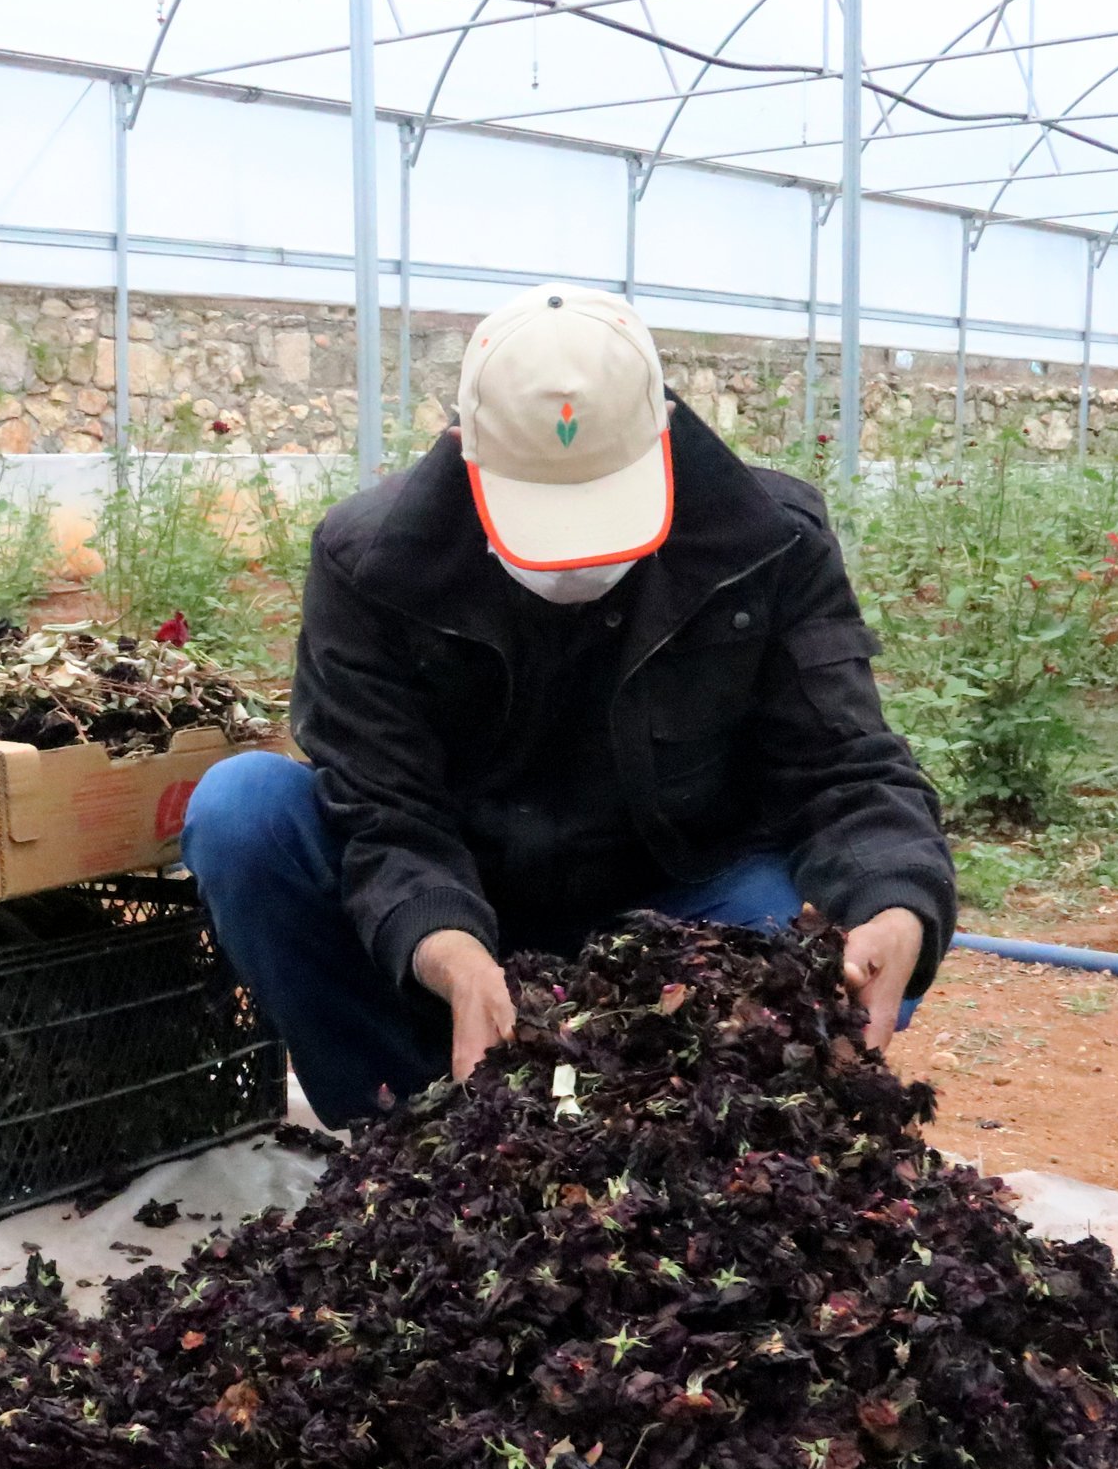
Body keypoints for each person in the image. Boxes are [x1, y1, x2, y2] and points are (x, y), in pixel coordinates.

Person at [184, 283, 955, 1127]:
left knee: (817, 949)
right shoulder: (373, 562)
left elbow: (846, 764)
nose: (573, 567)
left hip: (685, 893)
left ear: (663, 442)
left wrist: (896, 904)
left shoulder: (767, 539)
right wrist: (448, 950)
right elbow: (382, 808)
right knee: (242, 811)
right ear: (463, 452)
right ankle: (411, 1128)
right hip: (465, 892)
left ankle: (696, 1145)